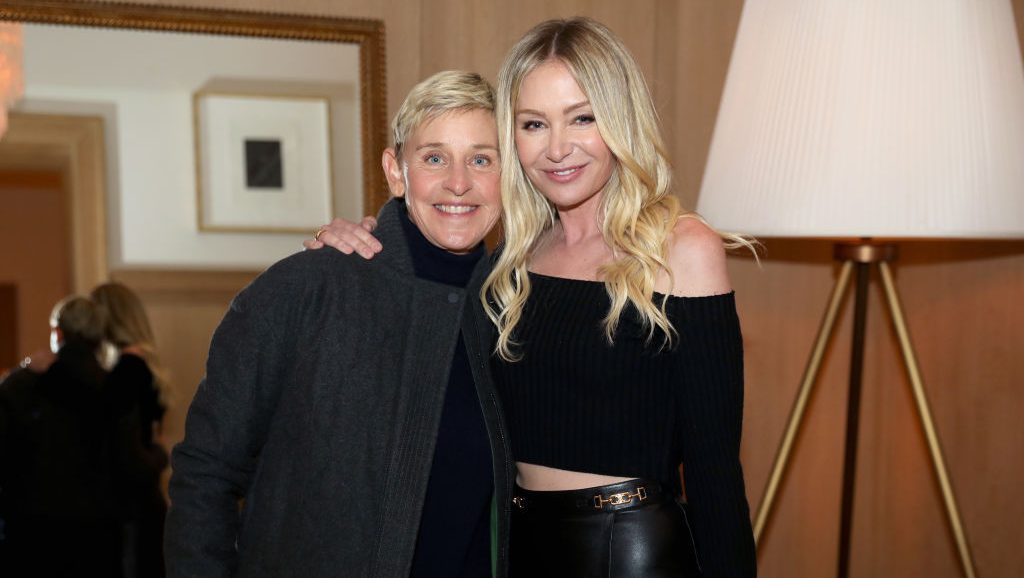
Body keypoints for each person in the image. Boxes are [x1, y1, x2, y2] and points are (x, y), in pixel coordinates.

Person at [311, 18, 757, 577]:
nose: (557, 148)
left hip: (631, 553)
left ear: (619, 120)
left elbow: (716, 475)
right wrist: (358, 242)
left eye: (582, 118)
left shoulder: (682, 250)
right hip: (516, 547)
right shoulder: (507, 262)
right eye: (533, 124)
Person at [164, 70, 513, 577]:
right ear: (396, 172)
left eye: (482, 159)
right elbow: (205, 475)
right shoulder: (306, 289)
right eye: (434, 157)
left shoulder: (518, 309)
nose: (458, 182)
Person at [0, 295, 123, 576]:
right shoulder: (114, 388)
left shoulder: (25, 386)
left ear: (58, 332)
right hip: (98, 530)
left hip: (33, 528)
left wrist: (20, 371)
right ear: (99, 336)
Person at [91, 282, 170, 578]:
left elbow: (126, 448)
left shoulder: (126, 371)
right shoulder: (140, 364)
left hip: (130, 507)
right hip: (143, 500)